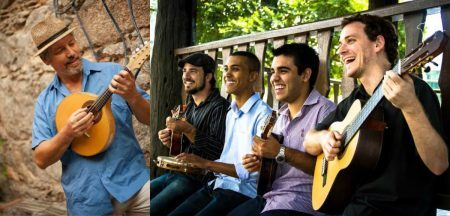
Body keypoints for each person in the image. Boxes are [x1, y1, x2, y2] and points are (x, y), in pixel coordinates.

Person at [303, 14, 449, 215]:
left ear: (378, 43)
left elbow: (439, 164)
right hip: (353, 205)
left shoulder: (415, 91)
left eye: (350, 41)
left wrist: (410, 107)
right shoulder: (354, 100)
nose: (340, 50)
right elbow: (309, 141)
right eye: (340, 43)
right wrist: (324, 138)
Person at [30, 16, 150, 215]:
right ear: (46, 60)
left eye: (72, 43)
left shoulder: (115, 73)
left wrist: (133, 96)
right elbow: (41, 160)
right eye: (60, 50)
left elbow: (151, 119)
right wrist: (67, 133)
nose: (71, 53)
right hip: (88, 202)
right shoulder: (45, 102)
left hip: (137, 187)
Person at [228, 43, 336, 216]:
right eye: (272, 72)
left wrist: (280, 152)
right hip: (270, 197)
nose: (274, 78)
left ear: (305, 75)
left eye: (283, 71)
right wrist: (260, 163)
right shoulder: (278, 117)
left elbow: (330, 171)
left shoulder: (326, 111)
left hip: (302, 203)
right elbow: (274, 164)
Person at [169, 51, 273, 215]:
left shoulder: (264, 115)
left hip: (240, 192)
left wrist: (205, 163)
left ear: (253, 76)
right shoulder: (231, 113)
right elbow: (225, 157)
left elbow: (251, 172)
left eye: (235, 69)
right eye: (225, 69)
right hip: (216, 184)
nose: (227, 74)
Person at [151, 53, 230, 215]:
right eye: (184, 71)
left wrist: (187, 129)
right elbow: (185, 146)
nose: (186, 76)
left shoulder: (220, 107)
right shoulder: (190, 106)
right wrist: (172, 139)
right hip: (175, 174)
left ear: (208, 76)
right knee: (138, 202)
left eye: (193, 71)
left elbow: (218, 151)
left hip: (198, 180)